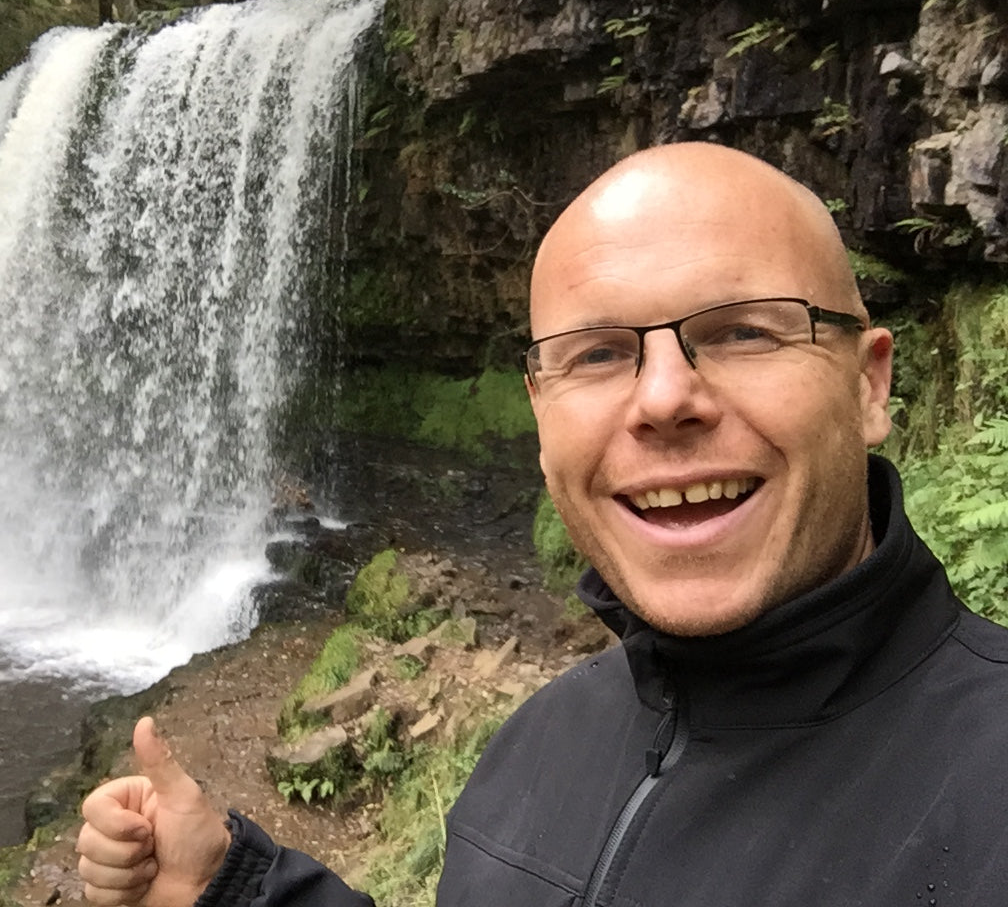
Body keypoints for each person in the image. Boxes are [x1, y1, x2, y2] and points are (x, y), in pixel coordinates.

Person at [75, 142, 1008, 906]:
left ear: (869, 381)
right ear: (538, 409)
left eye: (742, 332)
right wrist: (231, 890)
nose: (665, 398)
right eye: (598, 354)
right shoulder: (540, 741)